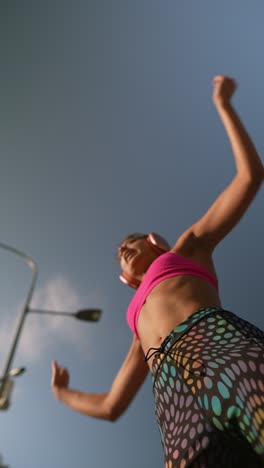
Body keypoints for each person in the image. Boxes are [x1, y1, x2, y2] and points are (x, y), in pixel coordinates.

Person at [51, 76, 264, 467]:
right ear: (127, 282)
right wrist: (63, 394)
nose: (122, 249)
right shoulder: (138, 330)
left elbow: (249, 178)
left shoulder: (188, 248)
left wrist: (224, 105)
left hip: (220, 347)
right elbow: (112, 405)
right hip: (174, 395)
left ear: (154, 241)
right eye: (120, 254)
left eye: (130, 243)